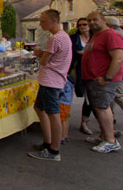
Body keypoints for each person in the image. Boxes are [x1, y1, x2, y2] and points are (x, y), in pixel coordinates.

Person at [28, 9, 72, 161]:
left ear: (54, 21)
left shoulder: (55, 39)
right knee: (39, 108)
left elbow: (44, 61)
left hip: (51, 80)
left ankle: (54, 150)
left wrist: (39, 54)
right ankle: (47, 142)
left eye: (43, 21)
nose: (40, 24)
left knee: (53, 114)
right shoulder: (64, 36)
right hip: (55, 79)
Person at [81, 12, 123, 154]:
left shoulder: (111, 35)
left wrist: (107, 77)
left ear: (104, 20)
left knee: (102, 107)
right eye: (89, 20)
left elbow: (118, 58)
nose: (92, 22)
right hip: (92, 78)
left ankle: (111, 141)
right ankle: (103, 136)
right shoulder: (97, 36)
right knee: (98, 107)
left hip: (102, 80)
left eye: (95, 20)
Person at [69, 18, 94, 135]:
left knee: (89, 98)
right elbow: (74, 52)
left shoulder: (95, 37)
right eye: (79, 25)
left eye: (84, 24)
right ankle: (62, 119)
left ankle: (84, 123)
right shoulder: (74, 38)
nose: (82, 27)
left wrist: (82, 52)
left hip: (91, 69)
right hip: (75, 69)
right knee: (67, 93)